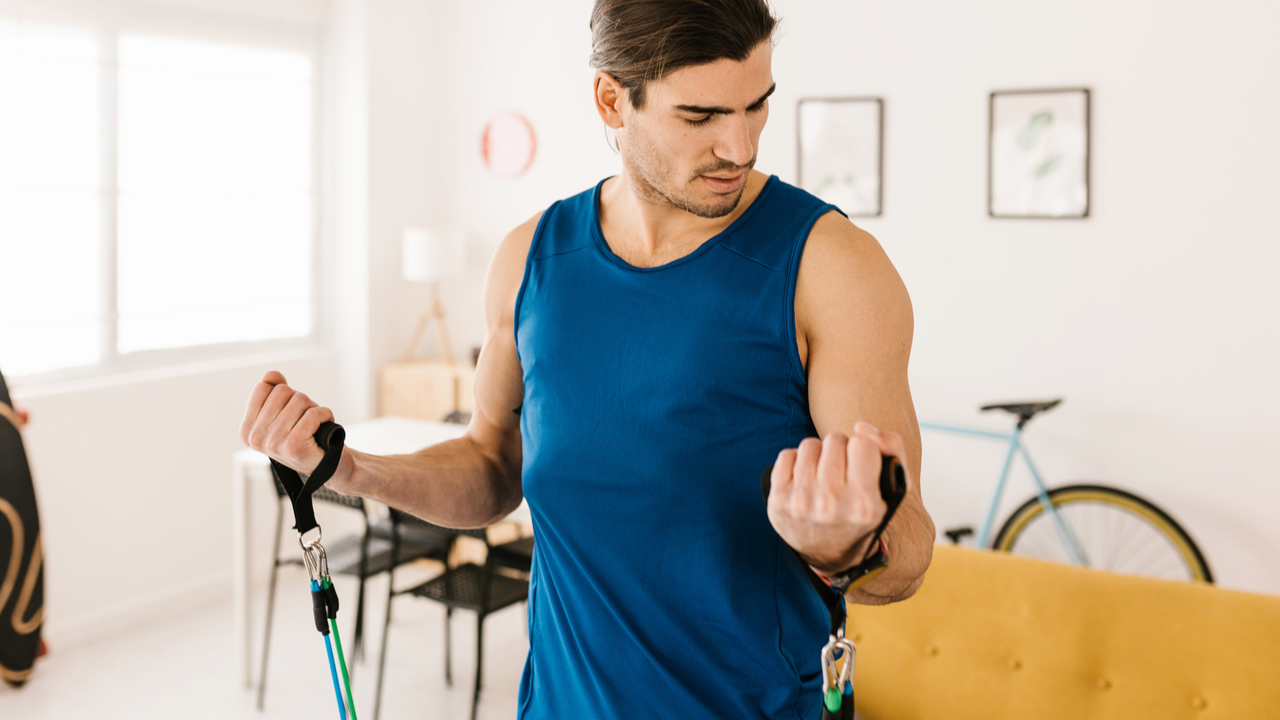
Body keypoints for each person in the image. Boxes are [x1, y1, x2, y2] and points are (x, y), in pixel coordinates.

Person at [241, 1, 935, 717]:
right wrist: (354, 471)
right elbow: (492, 465)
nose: (741, 144)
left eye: (757, 106)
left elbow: (909, 551)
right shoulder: (529, 262)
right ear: (611, 99)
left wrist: (846, 549)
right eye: (700, 116)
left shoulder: (832, 268)